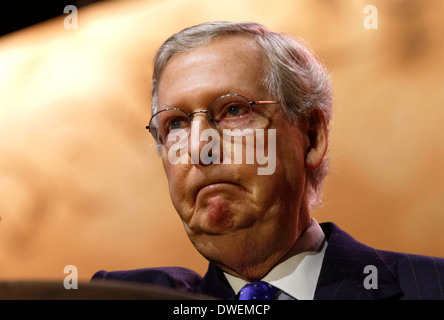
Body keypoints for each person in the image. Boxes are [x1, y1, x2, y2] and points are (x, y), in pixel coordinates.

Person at [91, 21, 444, 300]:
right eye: (177, 123)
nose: (200, 147)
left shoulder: (430, 287)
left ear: (311, 137)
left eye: (232, 110)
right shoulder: (130, 296)